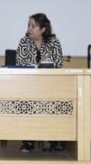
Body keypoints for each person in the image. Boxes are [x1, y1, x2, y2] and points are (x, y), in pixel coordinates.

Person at [15, 13, 64, 153]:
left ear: (43, 29)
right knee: (25, 100)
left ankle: (55, 139)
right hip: (29, 86)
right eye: (28, 25)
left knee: (58, 100)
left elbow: (58, 64)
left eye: (33, 26)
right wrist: (39, 64)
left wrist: (47, 63)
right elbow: (20, 64)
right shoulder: (24, 42)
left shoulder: (54, 42)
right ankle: (29, 139)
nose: (29, 29)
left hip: (50, 85)